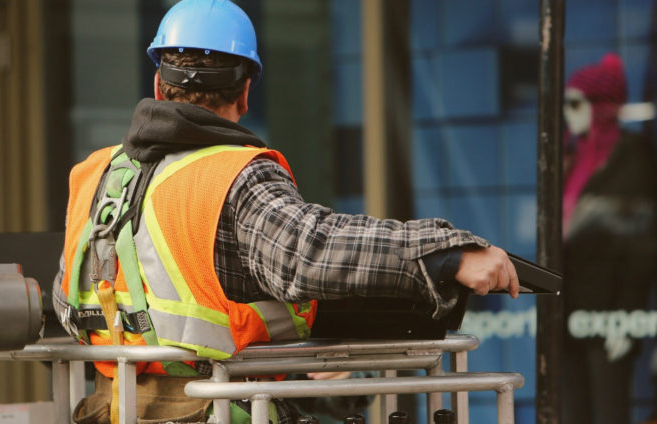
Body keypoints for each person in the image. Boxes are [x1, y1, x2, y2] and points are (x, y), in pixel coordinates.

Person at [51, 1, 519, 423]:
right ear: (246, 92)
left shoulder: (95, 175)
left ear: (158, 83)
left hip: (112, 409)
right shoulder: (233, 175)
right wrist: (447, 254)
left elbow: (67, 298)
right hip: (214, 410)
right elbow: (308, 252)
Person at [560, 53, 657, 424]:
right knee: (572, 412)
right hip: (568, 309)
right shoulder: (570, 157)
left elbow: (641, 246)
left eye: (575, 103)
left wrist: (627, 316)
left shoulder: (632, 157)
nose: (568, 113)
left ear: (600, 106)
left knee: (608, 411)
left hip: (609, 312)